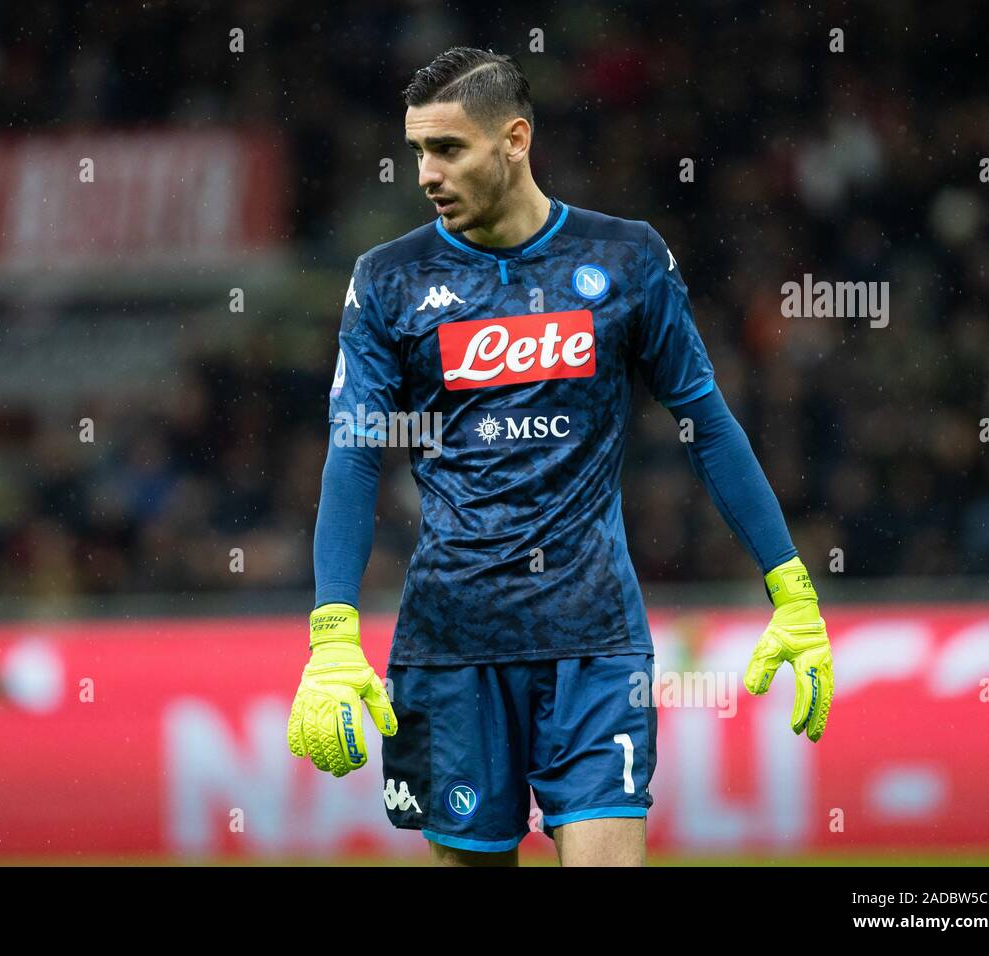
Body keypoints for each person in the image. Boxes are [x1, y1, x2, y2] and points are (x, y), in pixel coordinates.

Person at [287, 46, 834, 867]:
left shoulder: (626, 261)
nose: (426, 174)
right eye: (417, 152)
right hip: (453, 641)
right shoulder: (389, 280)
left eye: (448, 149)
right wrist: (332, 630)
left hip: (595, 637)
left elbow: (708, 425)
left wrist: (789, 586)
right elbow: (355, 457)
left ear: (514, 139)